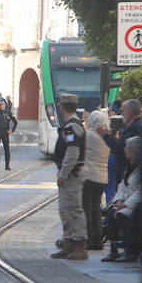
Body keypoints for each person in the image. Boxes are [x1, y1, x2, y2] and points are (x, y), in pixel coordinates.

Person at [51, 95, 88, 260]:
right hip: (72, 174)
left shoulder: (71, 127)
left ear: (62, 107)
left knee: (73, 210)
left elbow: (72, 153)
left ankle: (79, 245)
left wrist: (63, 174)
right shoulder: (72, 126)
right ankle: (69, 242)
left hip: (72, 175)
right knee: (66, 209)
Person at [84, 109, 111, 251]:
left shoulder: (89, 136)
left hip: (89, 177)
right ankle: (98, 241)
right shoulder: (107, 137)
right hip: (102, 178)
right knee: (96, 210)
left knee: (87, 209)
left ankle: (89, 239)